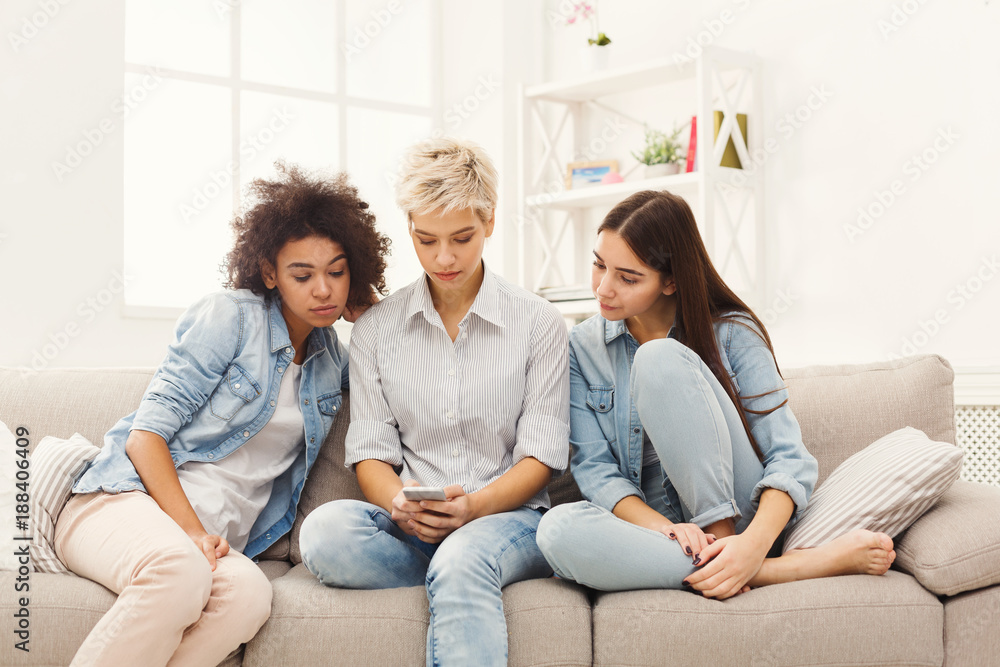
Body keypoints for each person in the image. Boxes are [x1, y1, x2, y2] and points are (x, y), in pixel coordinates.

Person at [54, 164, 390, 666]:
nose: (324, 289)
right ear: (270, 272)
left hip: (213, 543)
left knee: (250, 596)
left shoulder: (332, 360)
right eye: (303, 274)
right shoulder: (229, 317)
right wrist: (190, 532)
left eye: (337, 272)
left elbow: (394, 383)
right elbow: (145, 437)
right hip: (125, 505)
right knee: (179, 571)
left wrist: (373, 315)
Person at [535, 190, 896, 600]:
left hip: (739, 520)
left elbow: (789, 459)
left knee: (658, 359)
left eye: (627, 277)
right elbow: (597, 471)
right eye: (599, 265)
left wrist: (752, 544)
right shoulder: (581, 346)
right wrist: (666, 529)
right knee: (557, 531)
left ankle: (735, 553)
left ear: (670, 280)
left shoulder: (732, 332)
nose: (603, 287)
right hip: (659, 534)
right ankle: (773, 572)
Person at [299, 137, 570, 666]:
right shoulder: (376, 332)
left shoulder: (538, 324)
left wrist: (472, 508)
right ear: (411, 232)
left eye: (462, 238)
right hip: (414, 530)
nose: (444, 258)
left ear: (490, 222)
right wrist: (398, 504)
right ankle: (454, 574)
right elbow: (372, 454)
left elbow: (540, 458)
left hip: (510, 521)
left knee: (466, 554)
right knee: (324, 534)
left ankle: (462, 567)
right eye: (426, 240)